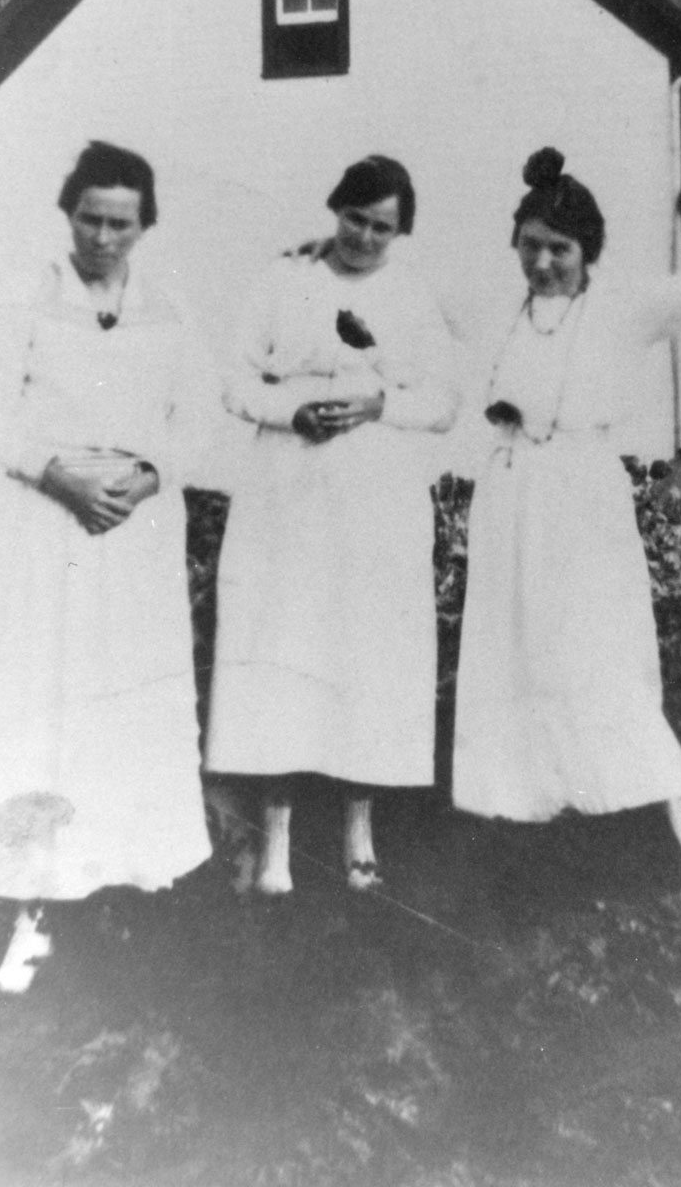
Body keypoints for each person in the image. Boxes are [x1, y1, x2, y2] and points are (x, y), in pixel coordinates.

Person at [0, 141, 217, 991]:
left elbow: (198, 418)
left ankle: (132, 878)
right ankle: (29, 915)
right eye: (91, 219)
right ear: (69, 214)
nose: (105, 236)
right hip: (47, 525)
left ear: (145, 226)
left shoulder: (167, 309)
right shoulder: (30, 301)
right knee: (40, 705)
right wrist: (60, 477)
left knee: (128, 700)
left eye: (122, 223)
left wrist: (144, 479)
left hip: (133, 534)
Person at [451, 147, 681, 886]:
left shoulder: (617, 307)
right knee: (515, 657)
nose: (544, 263)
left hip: (581, 505)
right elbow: (409, 304)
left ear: (588, 251)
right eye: (531, 245)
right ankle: (530, 827)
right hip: (511, 498)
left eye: (561, 249)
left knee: (603, 661)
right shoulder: (499, 310)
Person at [206, 155, 458, 893]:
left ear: (400, 231)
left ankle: (358, 831)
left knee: (364, 652)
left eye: (382, 227)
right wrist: (290, 410)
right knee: (283, 643)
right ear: (335, 209)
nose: (365, 236)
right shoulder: (284, 281)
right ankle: (277, 839)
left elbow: (443, 400)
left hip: (374, 492)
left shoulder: (410, 293)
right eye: (354, 218)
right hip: (286, 484)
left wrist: (383, 405)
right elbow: (232, 376)